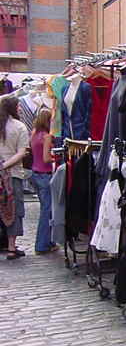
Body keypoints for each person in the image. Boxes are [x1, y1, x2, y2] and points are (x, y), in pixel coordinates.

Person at [0, 95, 29, 260]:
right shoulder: (19, 127)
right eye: (18, 106)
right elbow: (21, 152)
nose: (20, 108)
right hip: (13, 174)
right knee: (14, 209)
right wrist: (4, 166)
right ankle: (11, 247)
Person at [31, 107, 58, 254]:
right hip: (44, 174)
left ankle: (48, 241)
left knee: (46, 209)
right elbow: (46, 158)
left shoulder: (34, 134)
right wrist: (56, 157)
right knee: (46, 211)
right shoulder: (47, 137)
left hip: (35, 174)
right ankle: (42, 245)